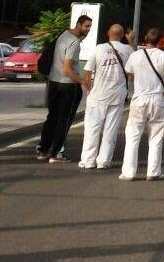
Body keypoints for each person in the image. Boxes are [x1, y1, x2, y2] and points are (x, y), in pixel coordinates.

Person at [119, 28, 164, 181]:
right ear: (161, 41)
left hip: (139, 99)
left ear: (145, 38)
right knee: (156, 137)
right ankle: (153, 172)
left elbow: (129, 75)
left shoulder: (135, 55)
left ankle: (129, 172)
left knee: (133, 136)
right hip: (157, 99)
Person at [36, 15, 92, 164]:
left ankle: (43, 150)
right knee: (64, 120)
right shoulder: (74, 42)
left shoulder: (63, 34)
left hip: (53, 83)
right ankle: (56, 153)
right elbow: (67, 69)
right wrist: (82, 81)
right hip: (68, 85)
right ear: (79, 24)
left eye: (90, 27)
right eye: (86, 26)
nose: (88, 30)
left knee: (52, 117)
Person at [78, 24, 133, 170]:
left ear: (108, 33)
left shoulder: (99, 48)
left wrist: (89, 89)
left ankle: (88, 160)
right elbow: (132, 74)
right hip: (118, 95)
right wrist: (131, 41)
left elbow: (88, 71)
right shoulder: (128, 50)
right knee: (111, 128)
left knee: (92, 128)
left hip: (98, 95)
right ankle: (104, 161)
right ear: (122, 36)